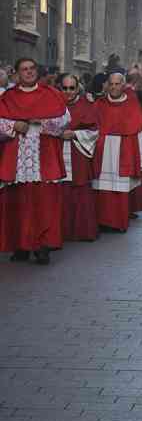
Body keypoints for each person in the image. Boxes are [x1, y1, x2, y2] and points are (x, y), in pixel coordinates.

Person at [0, 57, 69, 265]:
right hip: (17, 155)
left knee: (44, 202)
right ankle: (21, 245)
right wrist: (13, 126)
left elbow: (65, 120)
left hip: (44, 155)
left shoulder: (51, 94)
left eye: (32, 68)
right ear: (17, 73)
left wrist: (43, 123)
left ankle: (42, 246)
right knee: (18, 202)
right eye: (24, 69)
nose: (29, 72)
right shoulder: (8, 97)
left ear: (36, 71)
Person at [92, 73, 142, 232]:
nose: (114, 87)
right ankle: (102, 221)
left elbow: (138, 131)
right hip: (103, 151)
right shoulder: (99, 104)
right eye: (111, 84)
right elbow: (92, 128)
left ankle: (118, 222)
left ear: (123, 85)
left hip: (124, 151)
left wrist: (141, 158)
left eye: (117, 84)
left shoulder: (132, 105)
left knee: (121, 189)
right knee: (102, 188)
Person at [59, 74, 99, 242]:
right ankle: (60, 231)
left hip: (78, 152)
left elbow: (95, 131)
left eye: (72, 88)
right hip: (57, 152)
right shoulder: (53, 105)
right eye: (65, 88)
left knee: (80, 190)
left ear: (77, 89)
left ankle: (82, 231)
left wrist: (75, 134)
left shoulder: (86, 106)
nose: (68, 91)